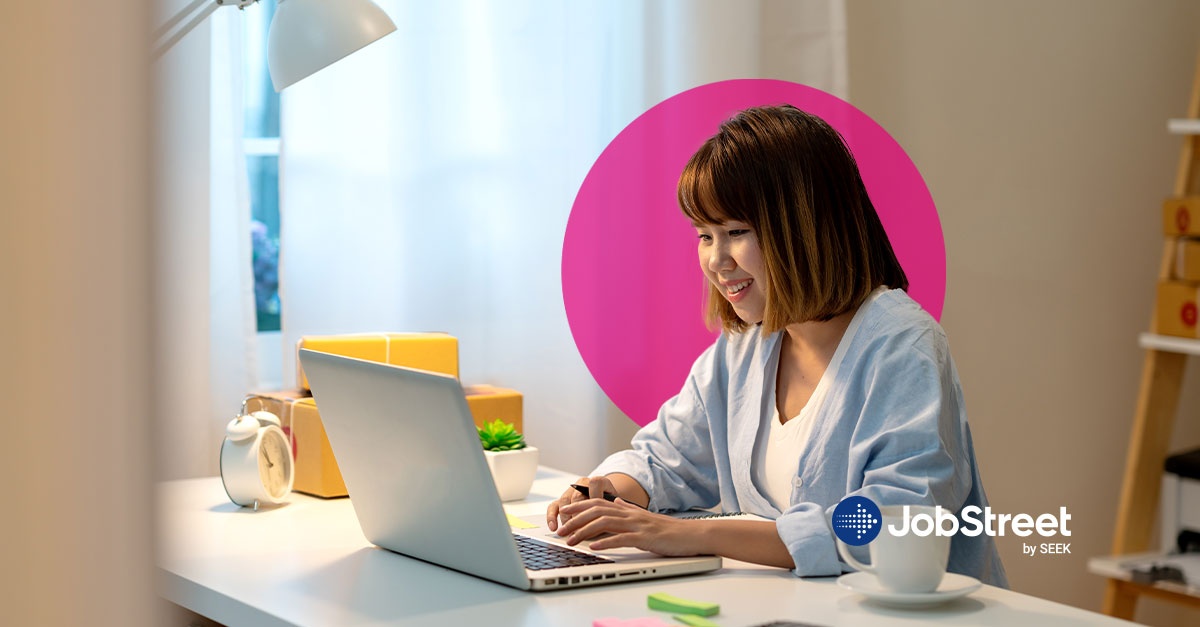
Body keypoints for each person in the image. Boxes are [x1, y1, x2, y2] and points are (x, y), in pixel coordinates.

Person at [546, 104, 1008, 586]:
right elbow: (666, 459)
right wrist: (603, 494)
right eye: (705, 236)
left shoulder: (901, 348)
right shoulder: (744, 350)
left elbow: (888, 526)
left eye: (736, 232)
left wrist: (692, 535)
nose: (716, 260)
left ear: (804, 227)